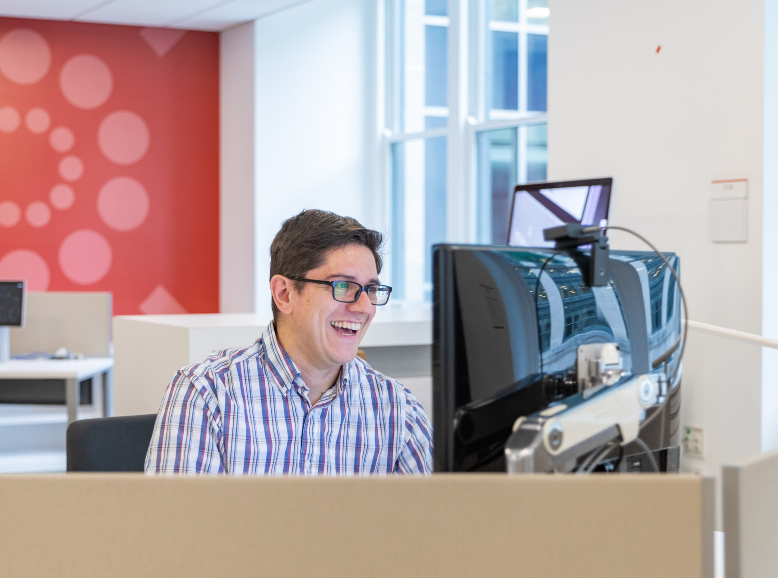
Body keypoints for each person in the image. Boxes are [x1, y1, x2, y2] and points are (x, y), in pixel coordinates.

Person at [145, 209, 433, 474]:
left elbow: (443, 522)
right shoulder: (206, 392)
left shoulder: (397, 407)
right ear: (284, 293)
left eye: (370, 289)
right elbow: (176, 526)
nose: (364, 307)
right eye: (343, 286)